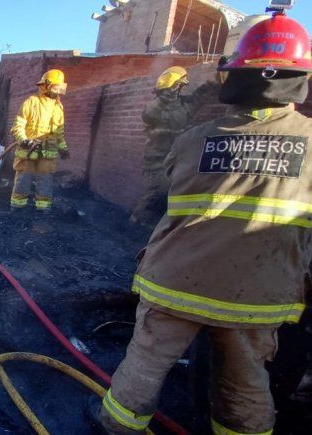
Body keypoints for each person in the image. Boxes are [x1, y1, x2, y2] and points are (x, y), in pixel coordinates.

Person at [94, 11, 312, 435]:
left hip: (174, 281)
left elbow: (171, 187)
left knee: (144, 362)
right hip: (255, 295)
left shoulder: (194, 139)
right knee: (244, 383)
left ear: (234, 79)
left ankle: (115, 426)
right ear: (299, 80)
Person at [130, 66, 219, 226]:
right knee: (159, 191)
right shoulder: (154, 107)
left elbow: (201, 95)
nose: (178, 89)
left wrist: (220, 77)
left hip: (178, 158)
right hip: (157, 160)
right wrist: (167, 96)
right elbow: (149, 115)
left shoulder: (185, 106)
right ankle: (137, 221)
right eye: (177, 86)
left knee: (175, 191)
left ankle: (157, 224)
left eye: (180, 86)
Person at [10, 69, 69, 212]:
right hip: (29, 152)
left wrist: (63, 147)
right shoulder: (31, 102)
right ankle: (17, 209)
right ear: (45, 85)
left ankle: (43, 211)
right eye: (56, 87)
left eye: (60, 88)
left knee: (45, 184)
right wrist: (24, 140)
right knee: (23, 182)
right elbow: (18, 125)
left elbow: (59, 132)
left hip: (48, 155)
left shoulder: (58, 107)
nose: (58, 92)